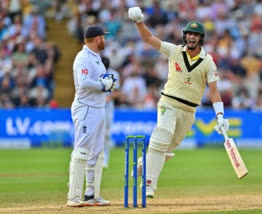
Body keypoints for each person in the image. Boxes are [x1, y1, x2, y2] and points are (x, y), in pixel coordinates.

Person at [128, 7, 230, 198]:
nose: (191, 37)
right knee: (161, 136)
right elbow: (150, 39)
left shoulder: (208, 62)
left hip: (188, 110)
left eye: (195, 34)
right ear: (185, 36)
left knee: (167, 148)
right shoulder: (174, 51)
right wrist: (138, 22)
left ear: (201, 38)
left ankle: (144, 163)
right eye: (189, 33)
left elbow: (214, 91)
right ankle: (148, 185)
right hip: (168, 103)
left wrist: (220, 116)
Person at [67, 25, 117, 207]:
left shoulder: (97, 58)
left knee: (96, 153)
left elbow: (100, 80)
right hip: (86, 108)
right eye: (103, 37)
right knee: (82, 151)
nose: (104, 40)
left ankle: (91, 194)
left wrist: (108, 82)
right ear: (97, 39)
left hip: (98, 107)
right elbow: (84, 82)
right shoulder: (83, 58)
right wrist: (103, 85)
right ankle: (73, 196)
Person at [101, 56, 120, 168]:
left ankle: (105, 160)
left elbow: (117, 92)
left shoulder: (114, 74)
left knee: (106, 134)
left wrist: (108, 98)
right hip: (95, 107)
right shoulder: (95, 72)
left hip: (107, 107)